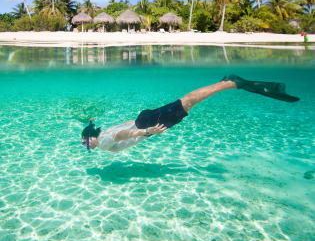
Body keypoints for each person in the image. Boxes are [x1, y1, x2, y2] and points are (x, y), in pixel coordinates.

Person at [81, 74, 299, 153]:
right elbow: (125, 124)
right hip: (141, 119)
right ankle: (225, 82)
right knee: (184, 102)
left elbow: (122, 135)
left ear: (91, 137)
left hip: (144, 125)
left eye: (85, 142)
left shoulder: (106, 142)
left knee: (185, 103)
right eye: (85, 145)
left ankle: (231, 83)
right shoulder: (103, 133)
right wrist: (142, 124)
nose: (87, 146)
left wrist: (148, 131)